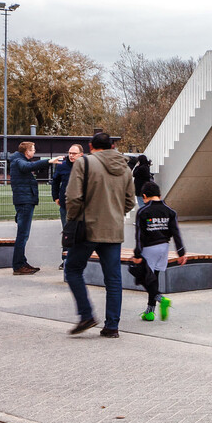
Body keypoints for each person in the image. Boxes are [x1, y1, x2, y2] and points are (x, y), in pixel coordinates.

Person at [64, 130, 138, 338]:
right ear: (112, 147)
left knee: (72, 269)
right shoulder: (125, 168)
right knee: (113, 279)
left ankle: (86, 314)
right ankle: (112, 326)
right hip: (113, 229)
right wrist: (115, 213)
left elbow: (73, 197)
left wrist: (74, 218)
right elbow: (130, 201)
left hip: (87, 227)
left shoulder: (84, 163)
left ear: (91, 146)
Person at [131, 181, 185, 323]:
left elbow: (139, 235)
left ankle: (160, 298)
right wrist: (181, 252)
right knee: (153, 278)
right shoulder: (170, 211)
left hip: (149, 248)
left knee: (141, 276)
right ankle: (150, 312)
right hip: (163, 247)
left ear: (144, 196)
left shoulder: (143, 211)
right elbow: (176, 232)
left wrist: (137, 254)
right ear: (159, 195)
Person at [6, 139, 52, 275]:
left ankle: (21, 262)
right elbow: (27, 167)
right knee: (23, 234)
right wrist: (48, 161)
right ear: (26, 152)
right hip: (24, 201)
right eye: (32, 150)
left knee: (23, 234)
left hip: (25, 200)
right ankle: (18, 266)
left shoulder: (19, 160)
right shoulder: (18, 161)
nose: (34, 151)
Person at [51, 145, 85, 268]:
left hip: (82, 206)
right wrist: (55, 197)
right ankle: (65, 260)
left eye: (74, 153)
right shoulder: (62, 166)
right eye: (70, 153)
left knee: (82, 233)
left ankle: (81, 259)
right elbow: (55, 182)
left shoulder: (86, 166)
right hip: (66, 205)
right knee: (67, 232)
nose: (71, 155)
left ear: (81, 154)